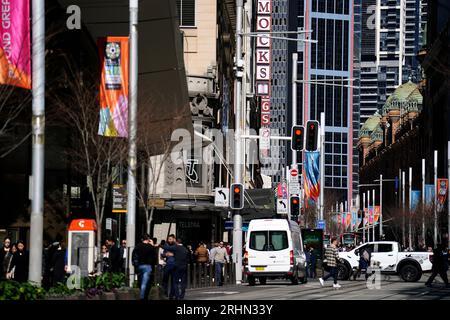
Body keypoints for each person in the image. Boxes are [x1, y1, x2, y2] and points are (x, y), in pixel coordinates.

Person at [132, 234, 157, 300]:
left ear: (142, 239)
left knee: (140, 281)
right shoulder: (151, 247)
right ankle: (142, 297)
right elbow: (155, 257)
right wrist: (152, 245)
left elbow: (134, 256)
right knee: (144, 283)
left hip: (139, 266)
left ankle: (142, 294)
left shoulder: (137, 246)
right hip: (147, 266)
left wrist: (135, 265)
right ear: (148, 239)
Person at [162, 234, 178, 299]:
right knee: (165, 280)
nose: (169, 240)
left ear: (174, 239)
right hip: (168, 264)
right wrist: (166, 254)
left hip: (174, 265)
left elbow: (179, 254)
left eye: (170, 239)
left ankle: (172, 294)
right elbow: (163, 254)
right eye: (168, 239)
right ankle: (165, 293)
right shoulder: (166, 245)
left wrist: (173, 254)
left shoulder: (176, 246)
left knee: (173, 280)